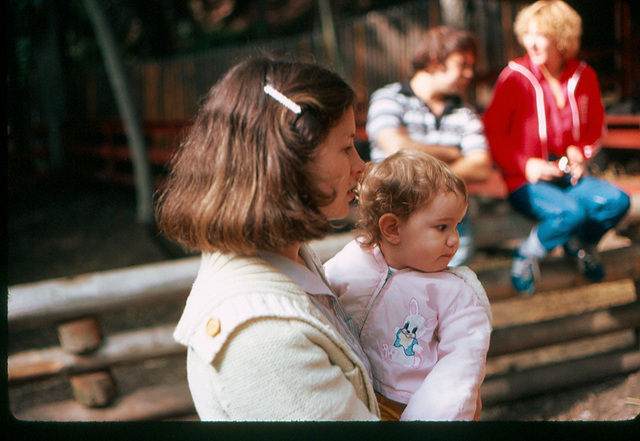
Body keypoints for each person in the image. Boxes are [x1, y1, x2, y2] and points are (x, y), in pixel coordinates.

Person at [155, 57, 380, 421]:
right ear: (288, 160)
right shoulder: (264, 337)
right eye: (345, 147)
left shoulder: (285, 257)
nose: (361, 166)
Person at [324, 150, 492, 421]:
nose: (454, 240)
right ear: (392, 228)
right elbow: (318, 302)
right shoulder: (353, 261)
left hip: (408, 407)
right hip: (346, 394)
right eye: (441, 227)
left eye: (456, 226)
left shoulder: (456, 294)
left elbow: (460, 368)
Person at [483, 0, 631, 296]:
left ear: (562, 37)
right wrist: (525, 165)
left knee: (617, 201)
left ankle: (580, 245)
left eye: (542, 34)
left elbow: (595, 127)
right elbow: (493, 133)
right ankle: (525, 254)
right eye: (527, 34)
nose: (531, 42)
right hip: (526, 181)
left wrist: (581, 152)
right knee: (570, 212)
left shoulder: (583, 75)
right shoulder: (515, 76)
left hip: (568, 179)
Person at [365, 25, 492, 267]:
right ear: (435, 61)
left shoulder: (465, 113)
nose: (469, 73)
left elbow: (481, 167)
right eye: (462, 65)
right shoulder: (388, 98)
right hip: (395, 217)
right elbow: (395, 148)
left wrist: (416, 162)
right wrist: (452, 154)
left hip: (452, 221)